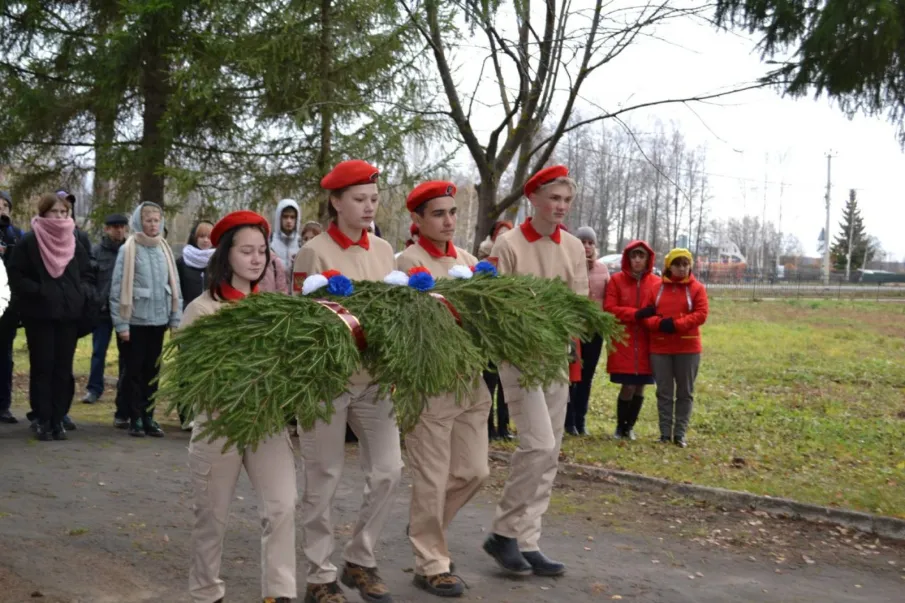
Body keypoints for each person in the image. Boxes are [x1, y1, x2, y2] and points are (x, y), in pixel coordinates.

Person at [292, 160, 401, 603]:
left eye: (374, 199)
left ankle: (361, 559)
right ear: (336, 202)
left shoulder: (384, 250)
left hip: (375, 380)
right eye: (359, 199)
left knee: (390, 470)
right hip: (327, 381)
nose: (369, 207)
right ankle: (320, 574)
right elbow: (302, 322)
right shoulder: (313, 252)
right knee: (324, 474)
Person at [184, 211, 297, 603]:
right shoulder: (202, 310)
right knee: (211, 516)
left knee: (282, 506)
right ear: (225, 254)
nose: (256, 259)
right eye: (246, 250)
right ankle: (205, 592)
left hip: (266, 422)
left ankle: (279, 593)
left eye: (262, 251)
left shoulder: (273, 310)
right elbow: (191, 379)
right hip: (218, 426)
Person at [483, 165, 587, 578]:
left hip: (556, 356)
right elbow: (494, 305)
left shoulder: (575, 247)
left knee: (551, 452)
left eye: (566, 200)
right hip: (518, 357)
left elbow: (578, 304)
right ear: (535, 200)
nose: (560, 207)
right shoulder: (507, 245)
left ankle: (527, 540)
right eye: (554, 198)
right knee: (538, 443)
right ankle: (503, 532)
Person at [396, 181, 491, 598]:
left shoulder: (470, 262)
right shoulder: (405, 263)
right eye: (438, 214)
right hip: (430, 385)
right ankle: (431, 563)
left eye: (453, 212)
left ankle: (423, 528)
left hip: (469, 382)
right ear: (417, 220)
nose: (449, 221)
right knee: (431, 479)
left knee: (475, 471)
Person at [7, 193, 94, 441]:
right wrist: (40, 290)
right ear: (43, 213)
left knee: (62, 369)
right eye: (54, 211)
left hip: (69, 315)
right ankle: (43, 419)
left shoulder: (74, 241)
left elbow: (88, 273)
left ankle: (58, 419)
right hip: (40, 315)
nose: (59, 216)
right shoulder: (30, 241)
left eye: (64, 212)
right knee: (43, 367)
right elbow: (15, 275)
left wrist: (81, 293)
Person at [110, 202, 182, 438]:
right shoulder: (128, 249)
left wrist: (175, 319)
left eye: (157, 220)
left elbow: (174, 286)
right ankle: (135, 417)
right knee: (133, 372)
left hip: (158, 320)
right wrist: (121, 324)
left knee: (153, 372)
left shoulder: (164, 249)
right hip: (135, 322)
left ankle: (150, 416)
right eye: (149, 220)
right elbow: (118, 289)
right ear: (140, 222)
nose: (153, 224)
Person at [644, 248, 709, 448]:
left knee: (684, 392)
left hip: (687, 348)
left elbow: (701, 314)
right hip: (661, 348)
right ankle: (665, 433)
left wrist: (676, 324)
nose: (682, 268)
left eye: (685, 264)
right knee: (664, 392)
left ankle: (679, 434)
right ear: (669, 266)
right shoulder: (656, 288)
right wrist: (659, 324)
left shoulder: (697, 288)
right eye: (677, 264)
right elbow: (646, 314)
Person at [603, 241, 659, 440]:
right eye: (634, 256)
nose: (637, 260)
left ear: (647, 259)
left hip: (645, 340)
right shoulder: (616, 281)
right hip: (624, 339)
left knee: (641, 385)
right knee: (627, 384)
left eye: (641, 256)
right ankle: (620, 426)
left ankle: (630, 427)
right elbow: (610, 308)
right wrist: (636, 314)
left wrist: (649, 319)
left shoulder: (655, 283)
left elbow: (659, 309)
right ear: (628, 258)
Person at [82, 214, 130, 420]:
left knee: (126, 355)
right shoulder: (96, 252)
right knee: (98, 351)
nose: (119, 230)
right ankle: (94, 389)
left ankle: (124, 388)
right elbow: (89, 278)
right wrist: (96, 299)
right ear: (106, 229)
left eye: (122, 227)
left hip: (124, 311)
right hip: (102, 312)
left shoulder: (130, 251)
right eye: (114, 227)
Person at [565, 226, 610, 436]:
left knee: (587, 377)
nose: (587, 246)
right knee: (571, 376)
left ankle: (580, 420)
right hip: (574, 330)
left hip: (594, 331)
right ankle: (568, 420)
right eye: (582, 242)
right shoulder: (570, 266)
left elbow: (608, 297)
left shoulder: (602, 270)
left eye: (590, 242)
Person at [484, 219, 515, 440]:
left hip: (508, 332)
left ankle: (504, 426)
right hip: (489, 332)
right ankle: (487, 427)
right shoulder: (485, 263)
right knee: (489, 382)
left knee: (507, 384)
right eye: (500, 234)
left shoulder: (515, 261)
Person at [0, 190, 24, 424]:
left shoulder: (15, 235)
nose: (2, 210)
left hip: (7, 306)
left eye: (5, 206)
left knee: (4, 356)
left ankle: (3, 405)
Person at [176, 220, 215, 308]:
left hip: (213, 313)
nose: (205, 240)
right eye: (201, 236)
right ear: (195, 238)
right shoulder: (182, 262)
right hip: (187, 312)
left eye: (209, 237)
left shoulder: (219, 262)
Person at [270, 199, 301, 290]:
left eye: (292, 217)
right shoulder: (270, 242)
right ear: (279, 218)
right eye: (285, 217)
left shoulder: (302, 243)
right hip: (275, 294)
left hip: (296, 294)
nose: (289, 221)